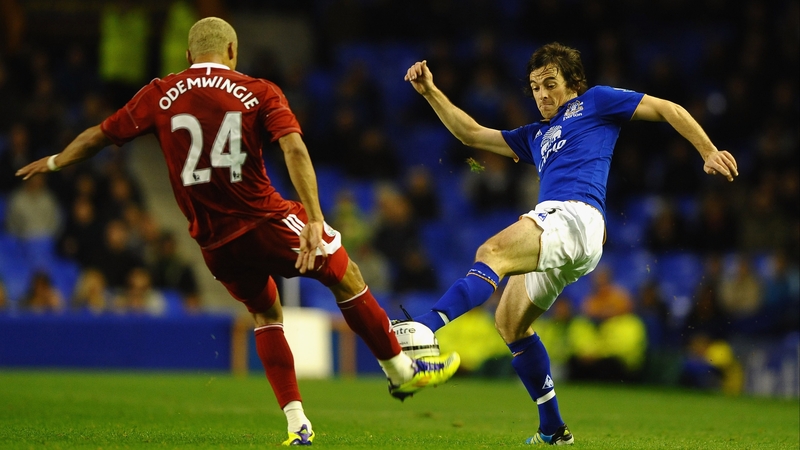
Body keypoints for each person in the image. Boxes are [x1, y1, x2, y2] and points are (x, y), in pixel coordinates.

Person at [16, 17, 459, 446]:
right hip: (264, 220)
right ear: (232, 51)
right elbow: (294, 149)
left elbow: (99, 135)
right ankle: (400, 371)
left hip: (215, 242)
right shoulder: (258, 90)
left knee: (266, 315)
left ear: (188, 55)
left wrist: (54, 161)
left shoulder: (159, 93)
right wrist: (313, 217)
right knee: (347, 276)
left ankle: (298, 424)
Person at [403, 42, 738, 445]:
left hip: (576, 215)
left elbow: (668, 108)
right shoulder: (535, 135)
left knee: (490, 253)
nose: (542, 94)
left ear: (574, 83)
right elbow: (469, 133)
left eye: (551, 84)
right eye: (535, 87)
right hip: (567, 235)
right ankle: (553, 428)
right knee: (509, 324)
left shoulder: (596, 101)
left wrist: (707, 151)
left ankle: (424, 327)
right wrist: (430, 92)